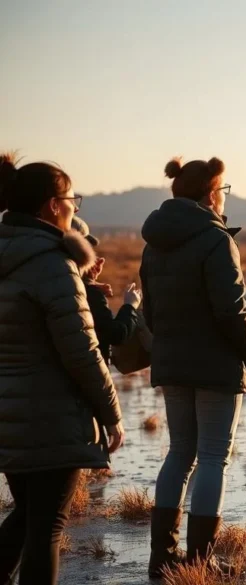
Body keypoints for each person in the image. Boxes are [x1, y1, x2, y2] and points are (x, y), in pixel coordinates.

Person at [0, 152, 125, 585]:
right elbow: (81, 351)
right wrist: (111, 412)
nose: (75, 207)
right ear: (53, 205)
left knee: (29, 516)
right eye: (73, 199)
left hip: (8, 417)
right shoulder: (53, 262)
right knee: (46, 527)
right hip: (51, 418)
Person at [140, 156, 246, 578]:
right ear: (211, 194)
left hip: (172, 364)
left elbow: (149, 314)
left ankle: (162, 557)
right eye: (223, 190)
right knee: (213, 457)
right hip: (215, 365)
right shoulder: (215, 239)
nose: (224, 198)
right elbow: (232, 310)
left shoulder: (154, 242)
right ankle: (198, 563)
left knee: (179, 452)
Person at [71, 217, 142, 365]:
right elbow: (116, 335)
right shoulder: (89, 293)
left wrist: (89, 280)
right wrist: (130, 306)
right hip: (88, 371)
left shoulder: (55, 281)